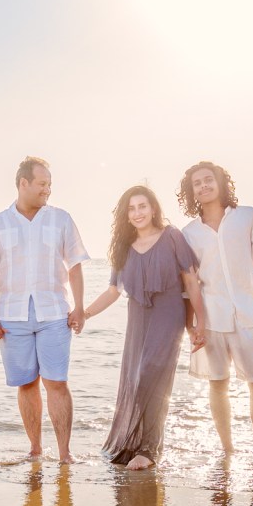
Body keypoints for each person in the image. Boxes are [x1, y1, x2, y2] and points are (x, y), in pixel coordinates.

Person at [82, 185, 205, 469]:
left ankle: (150, 450)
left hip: (168, 314)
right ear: (126, 215)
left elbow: (190, 282)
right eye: (132, 208)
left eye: (142, 206)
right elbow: (113, 291)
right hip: (137, 320)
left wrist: (200, 322)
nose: (137, 213)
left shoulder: (172, 236)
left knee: (151, 374)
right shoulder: (124, 248)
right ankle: (136, 444)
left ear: (153, 209)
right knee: (135, 380)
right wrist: (85, 313)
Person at [0, 156, 90, 464]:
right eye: (42, 184)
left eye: (50, 185)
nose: (47, 190)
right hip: (11, 315)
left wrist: (79, 308)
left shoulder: (61, 219)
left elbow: (75, 265)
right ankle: (35, 449)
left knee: (57, 382)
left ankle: (65, 453)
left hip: (54, 311)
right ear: (23, 183)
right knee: (26, 384)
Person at [177, 161, 253, 457]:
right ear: (191, 192)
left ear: (221, 183)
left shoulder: (248, 217)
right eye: (197, 183)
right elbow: (189, 284)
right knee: (218, 383)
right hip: (211, 318)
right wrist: (191, 326)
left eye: (209, 180)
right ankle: (228, 449)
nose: (204, 186)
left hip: (249, 314)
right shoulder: (189, 233)